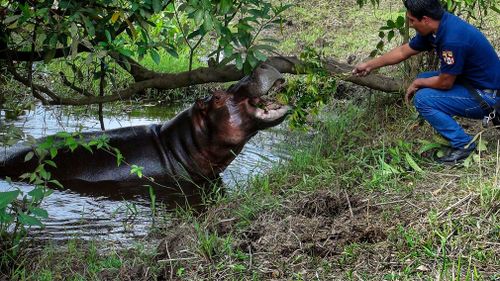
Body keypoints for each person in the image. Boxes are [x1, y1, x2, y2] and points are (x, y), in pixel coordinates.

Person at [352, 0, 500, 164]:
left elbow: (445, 83)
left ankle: (464, 145)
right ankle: (450, 130)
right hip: (475, 84)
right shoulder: (438, 27)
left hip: (488, 97)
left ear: (425, 19)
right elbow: (403, 51)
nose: (410, 24)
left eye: (412, 20)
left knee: (423, 98)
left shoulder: (452, 40)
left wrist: (418, 84)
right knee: (423, 77)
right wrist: (369, 65)